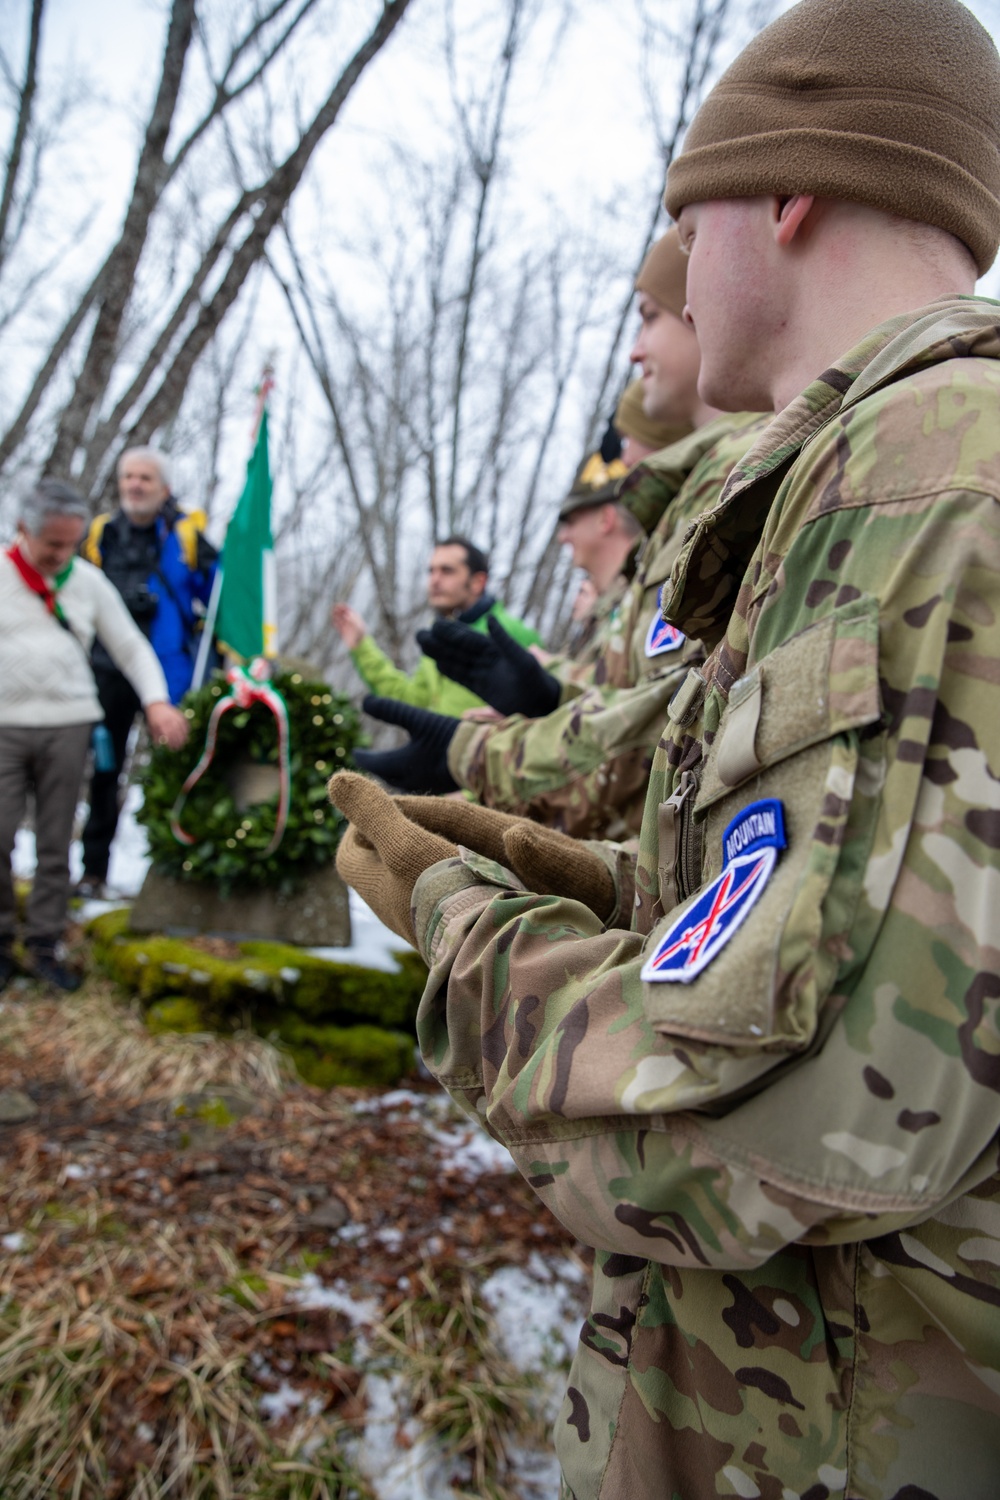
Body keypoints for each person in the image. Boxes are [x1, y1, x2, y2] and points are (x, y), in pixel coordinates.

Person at [330, 0, 1000, 1493]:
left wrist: (465, 937)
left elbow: (794, 1127)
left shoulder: (931, 481)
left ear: (787, 192)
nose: (680, 279)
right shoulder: (876, 473)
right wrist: (570, 869)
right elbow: (811, 927)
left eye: (686, 229)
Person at [352, 233, 765, 836]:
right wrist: (549, 695)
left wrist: (480, 758)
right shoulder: (699, 492)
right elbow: (645, 697)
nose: (636, 351)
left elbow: (679, 717)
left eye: (651, 318)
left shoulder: (734, 478)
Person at [0, 480, 188, 990]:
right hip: (6, 726)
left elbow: (129, 645)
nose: (62, 556)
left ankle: (44, 944)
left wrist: (155, 700)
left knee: (56, 842)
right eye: (52, 545)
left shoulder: (86, 581)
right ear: (23, 530)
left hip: (69, 723)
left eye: (70, 544)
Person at [76, 446, 216, 900]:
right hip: (106, 671)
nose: (135, 486)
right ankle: (94, 872)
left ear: (164, 488)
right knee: (104, 771)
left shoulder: (188, 537)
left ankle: (172, 874)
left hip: (170, 673)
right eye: (128, 477)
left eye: (145, 479)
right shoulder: (99, 536)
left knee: (176, 769)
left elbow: (221, 597)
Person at [331, 535, 542, 717]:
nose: (434, 580)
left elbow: (543, 716)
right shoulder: (440, 636)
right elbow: (415, 699)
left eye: (447, 571)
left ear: (478, 582)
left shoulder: (516, 634)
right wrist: (361, 646)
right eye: (431, 571)